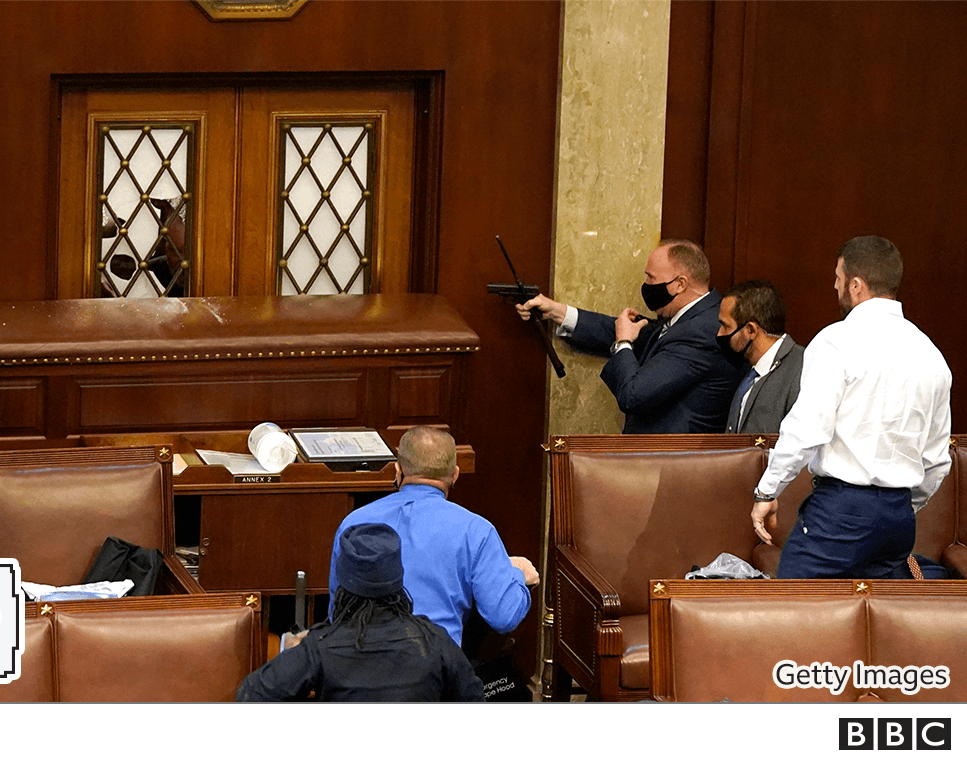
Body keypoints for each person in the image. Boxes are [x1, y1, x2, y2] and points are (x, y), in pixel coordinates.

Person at [751, 236, 952, 579]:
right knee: (876, 621)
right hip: (899, 519)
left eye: (838, 278)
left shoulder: (835, 341)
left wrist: (767, 491)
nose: (835, 285)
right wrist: (899, 506)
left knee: (793, 614)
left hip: (842, 513)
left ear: (856, 285)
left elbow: (807, 428)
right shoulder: (932, 354)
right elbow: (936, 460)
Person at [327, 426, 536, 646]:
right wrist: (517, 575)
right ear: (455, 474)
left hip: (359, 667)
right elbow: (504, 617)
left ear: (398, 471)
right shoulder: (476, 530)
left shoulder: (354, 522)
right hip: (435, 670)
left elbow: (337, 613)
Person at [237, 523, 484, 702]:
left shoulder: (321, 646)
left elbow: (251, 695)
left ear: (342, 584)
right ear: (398, 581)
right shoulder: (434, 640)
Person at [517, 239, 742, 433]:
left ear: (680, 284)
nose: (646, 286)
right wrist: (558, 312)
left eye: (650, 278)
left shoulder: (700, 331)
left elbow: (634, 395)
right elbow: (621, 330)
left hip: (675, 465)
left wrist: (623, 343)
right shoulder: (691, 317)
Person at [716, 279, 805, 433]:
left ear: (751, 330)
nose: (719, 334)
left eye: (725, 326)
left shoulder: (803, 370)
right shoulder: (751, 371)